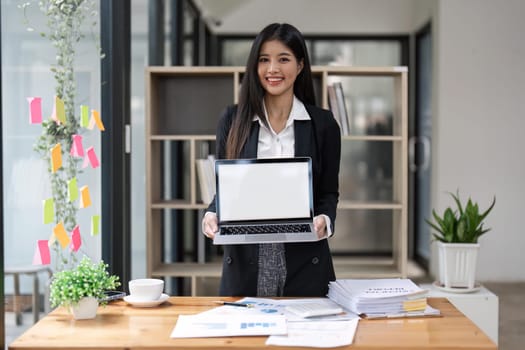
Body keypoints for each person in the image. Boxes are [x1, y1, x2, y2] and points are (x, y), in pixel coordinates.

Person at [202, 23, 341, 297]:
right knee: (247, 338)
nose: (272, 69)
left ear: (300, 66)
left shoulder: (322, 124)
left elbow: (328, 192)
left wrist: (324, 218)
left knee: (304, 338)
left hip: (305, 258)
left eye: (283, 59)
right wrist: (211, 213)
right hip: (245, 259)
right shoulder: (232, 120)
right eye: (264, 60)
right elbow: (226, 190)